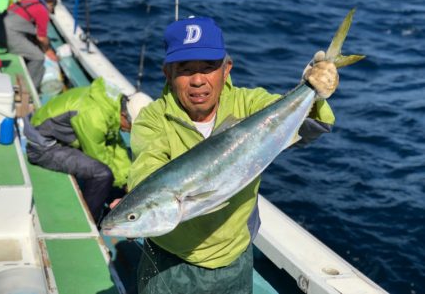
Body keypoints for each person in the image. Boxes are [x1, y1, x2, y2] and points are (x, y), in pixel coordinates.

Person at [126, 16, 339, 293]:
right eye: (185, 69)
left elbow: (312, 129)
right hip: (172, 262)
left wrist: (315, 93)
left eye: (209, 67)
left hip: (235, 259)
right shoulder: (153, 120)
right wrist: (135, 207)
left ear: (227, 69)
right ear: (168, 73)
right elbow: (147, 172)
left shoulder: (248, 104)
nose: (198, 80)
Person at [24, 77, 149, 223]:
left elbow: (117, 146)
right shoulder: (94, 116)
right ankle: (89, 221)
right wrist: (122, 183)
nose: (129, 131)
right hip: (43, 148)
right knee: (102, 174)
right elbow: (98, 156)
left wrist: (128, 180)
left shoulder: (110, 106)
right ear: (123, 115)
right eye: (131, 127)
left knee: (117, 175)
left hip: (61, 138)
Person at [3, 0, 57, 89]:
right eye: (51, 10)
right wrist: (48, 50)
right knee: (39, 57)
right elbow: (41, 38)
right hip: (9, 35)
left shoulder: (27, 1)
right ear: (50, 5)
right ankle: (29, 89)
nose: (49, 12)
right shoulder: (42, 10)